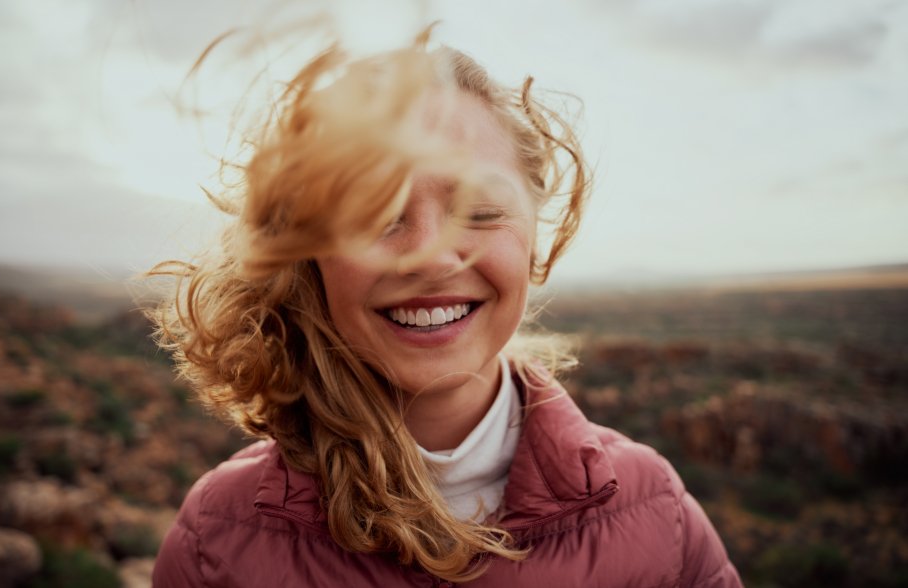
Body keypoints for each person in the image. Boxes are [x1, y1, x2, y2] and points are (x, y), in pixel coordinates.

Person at [149, 32, 742, 587]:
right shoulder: (218, 542)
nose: (431, 258)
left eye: (481, 209)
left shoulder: (657, 518)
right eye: (375, 215)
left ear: (535, 239)